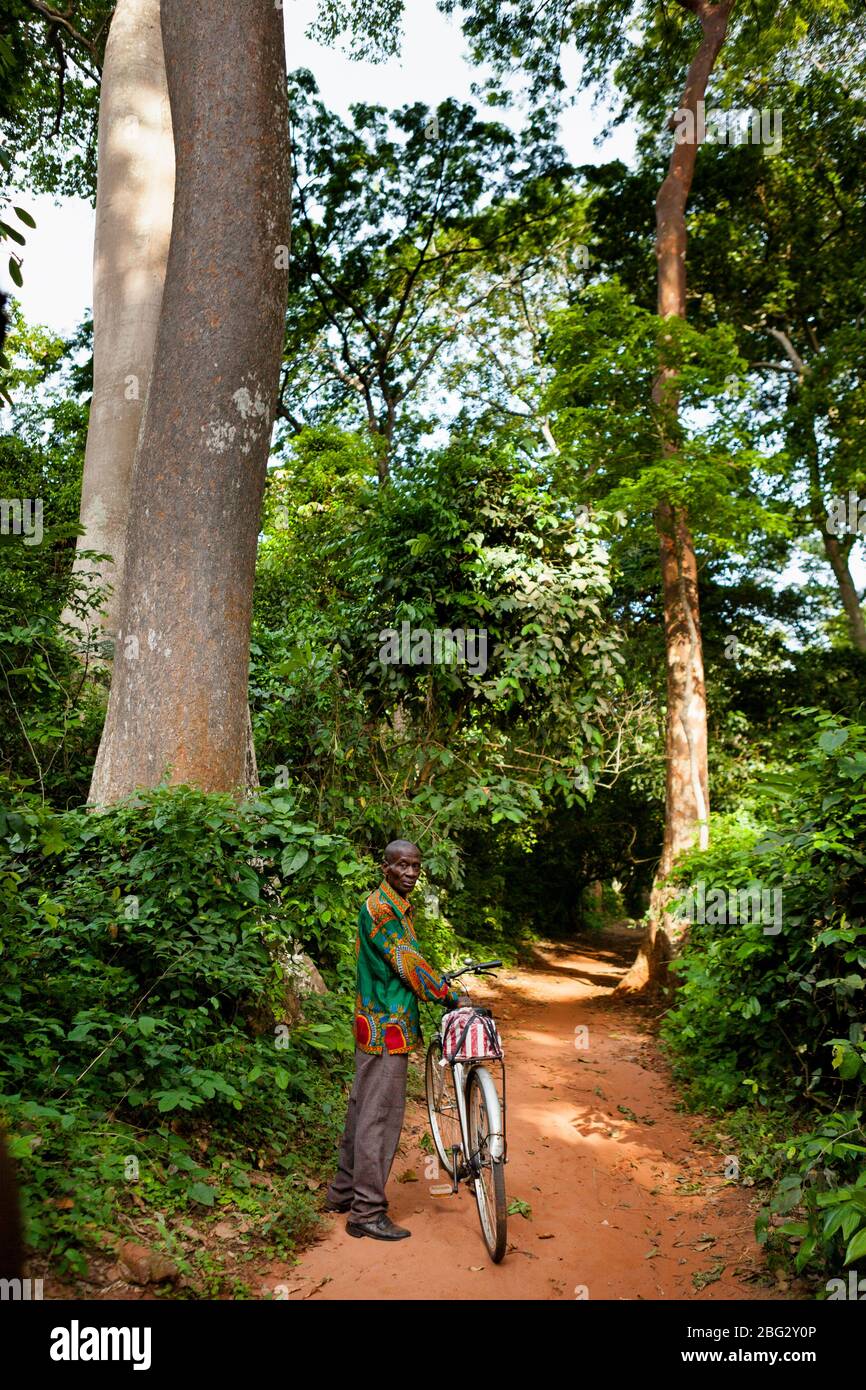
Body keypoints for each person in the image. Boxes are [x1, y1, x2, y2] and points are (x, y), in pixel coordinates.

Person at [324, 839, 470, 1240]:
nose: (410, 873)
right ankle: (366, 1212)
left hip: (376, 1027)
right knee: (379, 1117)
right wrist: (447, 993)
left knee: (362, 1109)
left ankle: (342, 1192)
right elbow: (407, 963)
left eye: (416, 866)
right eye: (402, 866)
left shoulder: (394, 906)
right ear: (385, 867)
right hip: (386, 1030)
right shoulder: (383, 909)